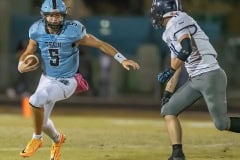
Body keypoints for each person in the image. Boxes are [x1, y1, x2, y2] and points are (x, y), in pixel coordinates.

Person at [18, 0, 140, 160]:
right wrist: (21, 63)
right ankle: (57, 139)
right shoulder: (36, 30)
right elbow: (29, 50)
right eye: (51, 15)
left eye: (58, 15)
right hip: (46, 78)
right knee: (43, 120)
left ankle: (37, 139)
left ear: (63, 16)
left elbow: (100, 44)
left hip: (67, 80)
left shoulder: (73, 31)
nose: (54, 19)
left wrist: (122, 59)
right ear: (44, 16)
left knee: (35, 100)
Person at [150, 0, 240, 160]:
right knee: (168, 111)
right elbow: (177, 64)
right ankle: (177, 154)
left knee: (221, 124)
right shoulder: (169, 32)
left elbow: (186, 47)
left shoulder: (178, 20)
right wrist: (167, 93)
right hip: (196, 79)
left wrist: (169, 70)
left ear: (162, 10)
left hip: (210, 75)